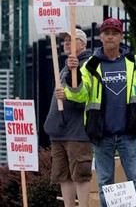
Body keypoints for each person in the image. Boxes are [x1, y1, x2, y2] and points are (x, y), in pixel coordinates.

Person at [57, 17, 136, 207]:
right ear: (101, 37)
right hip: (102, 135)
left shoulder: (134, 64)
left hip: (129, 134)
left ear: (121, 37)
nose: (110, 37)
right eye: (107, 33)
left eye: (115, 33)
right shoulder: (90, 66)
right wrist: (75, 75)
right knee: (105, 185)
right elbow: (80, 96)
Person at [44, 28, 93, 207]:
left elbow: (87, 97)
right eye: (64, 40)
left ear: (83, 44)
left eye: (71, 40)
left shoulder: (88, 65)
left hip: (77, 131)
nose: (66, 43)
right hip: (59, 131)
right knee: (63, 175)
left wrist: (68, 94)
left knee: (80, 174)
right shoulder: (65, 66)